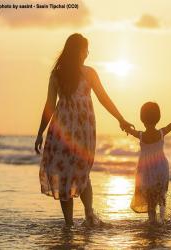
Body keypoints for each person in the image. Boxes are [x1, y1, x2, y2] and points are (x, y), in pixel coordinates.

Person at [35, 33, 133, 226]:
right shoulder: (88, 73)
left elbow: (49, 106)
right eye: (86, 48)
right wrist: (120, 119)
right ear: (79, 51)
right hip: (83, 129)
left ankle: (70, 223)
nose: (88, 52)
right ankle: (88, 214)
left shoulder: (57, 74)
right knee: (82, 172)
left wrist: (40, 132)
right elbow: (104, 98)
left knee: (64, 175)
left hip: (61, 130)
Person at [124, 102, 171, 224]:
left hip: (146, 171)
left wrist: (124, 125)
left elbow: (128, 129)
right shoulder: (161, 133)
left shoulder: (141, 135)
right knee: (161, 196)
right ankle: (162, 220)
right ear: (158, 118)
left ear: (142, 119)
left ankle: (152, 221)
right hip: (161, 168)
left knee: (150, 199)